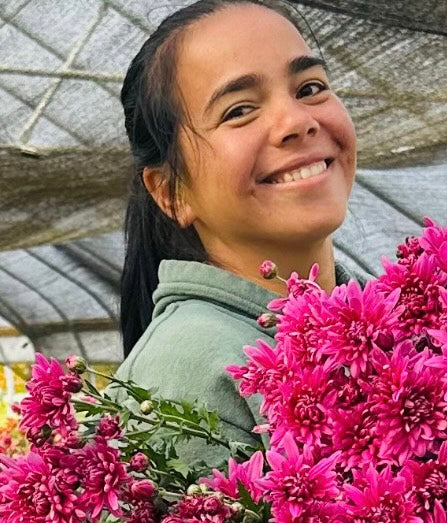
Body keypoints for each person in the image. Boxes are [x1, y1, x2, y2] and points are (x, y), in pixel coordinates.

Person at [116, 0, 357, 453]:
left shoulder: (391, 311)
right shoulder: (189, 373)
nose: (298, 122)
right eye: (239, 109)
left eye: (309, 88)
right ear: (171, 192)